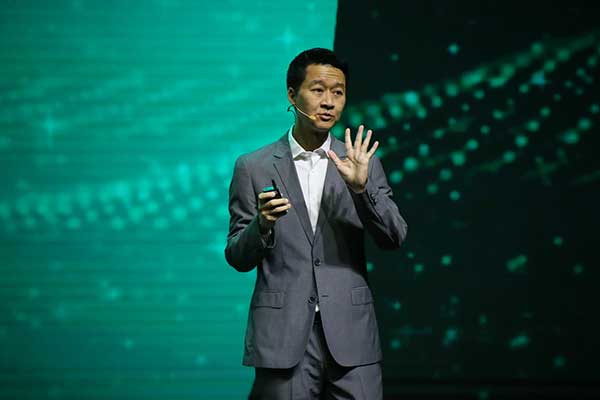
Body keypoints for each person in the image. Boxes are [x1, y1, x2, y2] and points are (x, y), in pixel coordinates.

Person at [225, 48, 408, 399]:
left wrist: (361, 190)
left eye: (338, 92)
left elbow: (394, 236)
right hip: (283, 334)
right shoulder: (253, 167)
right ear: (292, 95)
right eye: (318, 89)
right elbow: (237, 256)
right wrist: (261, 225)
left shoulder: (361, 162)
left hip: (352, 332)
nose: (329, 102)